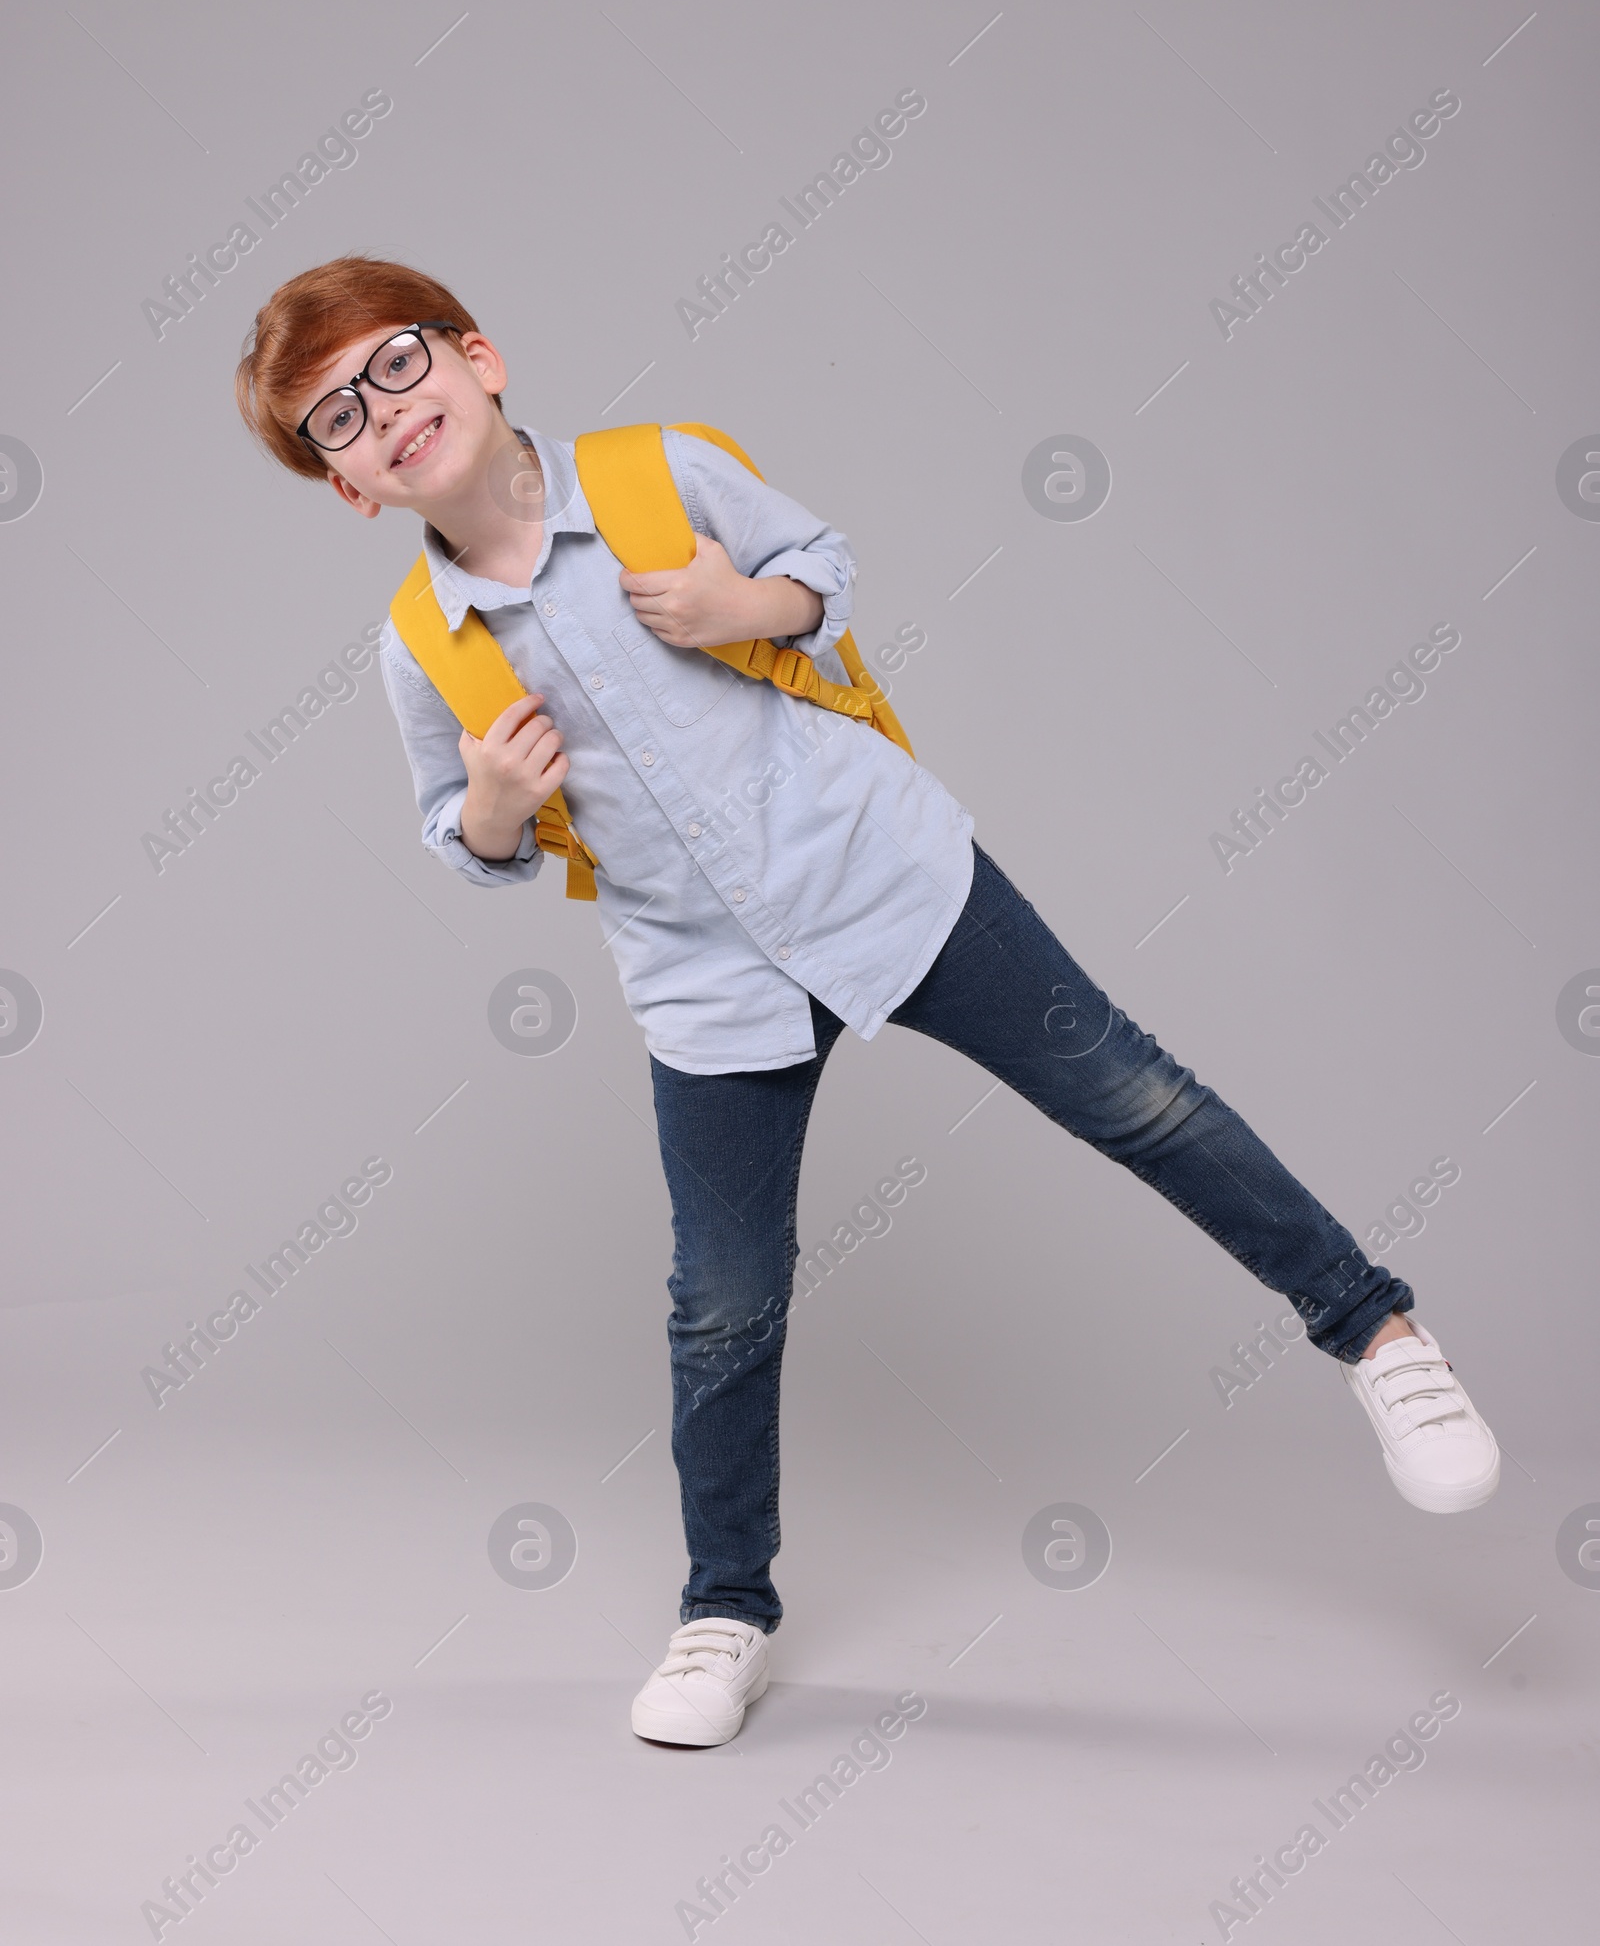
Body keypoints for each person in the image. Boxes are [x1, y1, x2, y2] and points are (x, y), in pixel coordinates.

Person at [235, 256, 1500, 1749]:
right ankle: (725, 1610)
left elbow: (826, 575)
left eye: (394, 366)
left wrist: (733, 602)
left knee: (1139, 1101)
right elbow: (466, 843)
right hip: (702, 980)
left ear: (477, 354)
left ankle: (1378, 1336)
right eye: (335, 421)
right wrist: (501, 809)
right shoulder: (418, 646)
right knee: (722, 1303)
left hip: (890, 877)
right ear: (345, 488)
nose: (382, 414)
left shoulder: (662, 471)